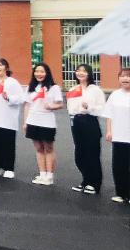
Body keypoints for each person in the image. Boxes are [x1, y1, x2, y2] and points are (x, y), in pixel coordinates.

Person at [23, 62, 65, 186]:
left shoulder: (54, 87)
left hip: (47, 121)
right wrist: (25, 122)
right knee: (38, 148)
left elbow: (60, 104)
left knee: (48, 148)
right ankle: (42, 174)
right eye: (37, 71)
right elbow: (27, 105)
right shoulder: (31, 87)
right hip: (32, 120)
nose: (39, 74)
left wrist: (51, 106)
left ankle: (49, 176)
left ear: (47, 73)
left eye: (42, 71)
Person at [67, 64, 105, 195]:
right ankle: (85, 180)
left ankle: (94, 184)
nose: (81, 73)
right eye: (78, 70)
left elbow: (102, 108)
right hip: (76, 122)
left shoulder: (95, 90)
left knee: (92, 154)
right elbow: (70, 108)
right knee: (80, 154)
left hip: (90, 121)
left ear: (89, 73)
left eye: (84, 71)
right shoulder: (73, 89)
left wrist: (89, 107)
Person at [101, 67, 130, 203]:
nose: (125, 78)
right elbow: (109, 115)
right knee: (119, 166)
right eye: (122, 76)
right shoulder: (114, 95)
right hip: (118, 136)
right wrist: (109, 131)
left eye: (128, 76)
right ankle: (121, 193)